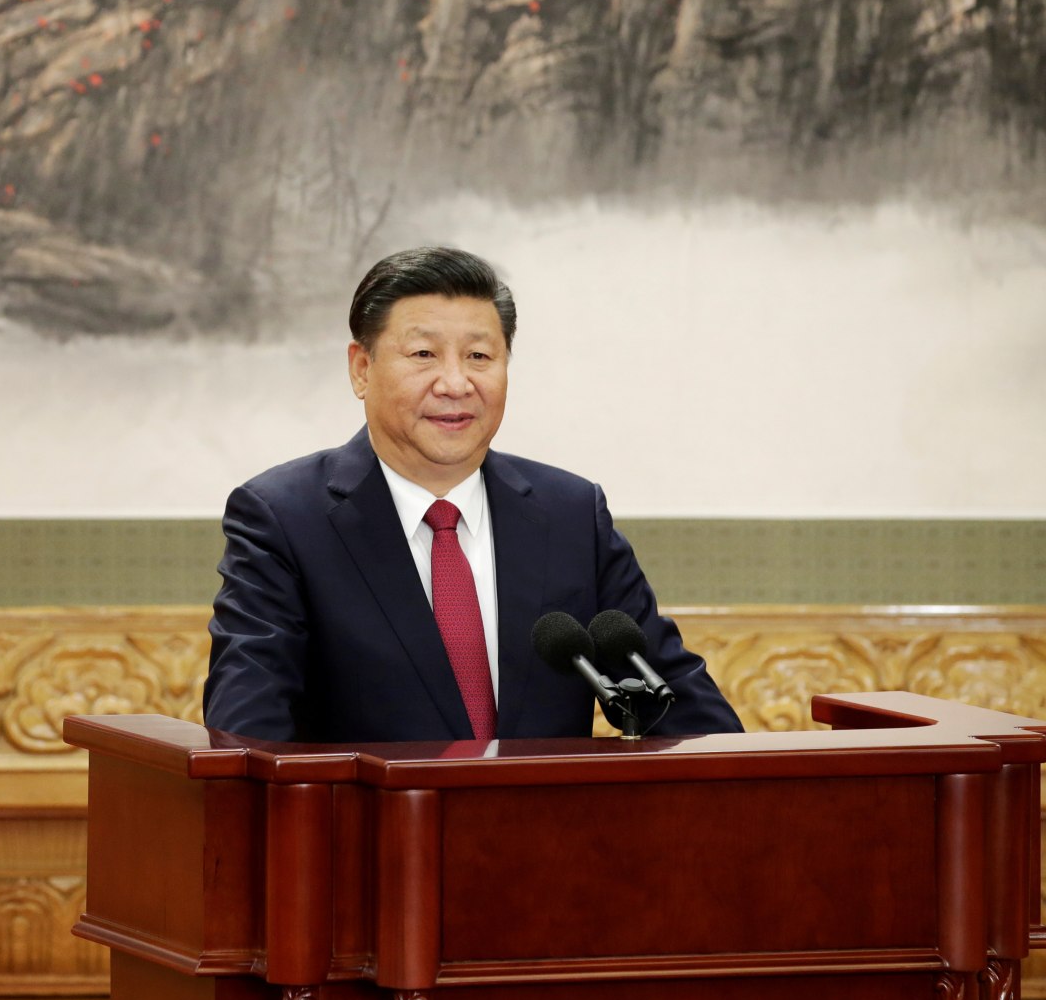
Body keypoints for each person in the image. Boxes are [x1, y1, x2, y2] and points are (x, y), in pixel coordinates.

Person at [203, 247, 741, 743]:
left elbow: (683, 705)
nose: (456, 383)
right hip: (367, 840)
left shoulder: (571, 514)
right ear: (361, 369)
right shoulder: (283, 519)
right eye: (423, 354)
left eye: (480, 357)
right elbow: (248, 733)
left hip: (549, 838)